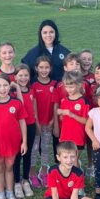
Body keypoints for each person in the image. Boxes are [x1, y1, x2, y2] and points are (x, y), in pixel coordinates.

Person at [33, 141, 98, 199]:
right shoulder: (53, 171)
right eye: (65, 157)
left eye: (72, 157)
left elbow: (74, 196)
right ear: (58, 157)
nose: (69, 160)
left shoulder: (78, 173)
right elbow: (55, 195)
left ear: (76, 156)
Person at [0, 74, 28, 199]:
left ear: (9, 86)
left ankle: (10, 194)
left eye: (5, 85)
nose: (2, 89)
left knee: (9, 167)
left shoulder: (16, 103)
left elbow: (22, 122)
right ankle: (1, 196)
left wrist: (24, 141)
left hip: (12, 142)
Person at [30, 56, 57, 188]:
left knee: (45, 148)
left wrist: (52, 120)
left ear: (50, 68)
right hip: (36, 124)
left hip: (48, 123)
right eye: (41, 67)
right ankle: (32, 173)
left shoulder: (54, 84)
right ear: (36, 68)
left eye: (46, 67)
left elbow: (56, 104)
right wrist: (36, 123)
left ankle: (44, 172)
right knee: (34, 149)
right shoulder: (33, 85)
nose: (44, 70)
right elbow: (32, 106)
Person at [12, 64, 36, 199]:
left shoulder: (31, 90)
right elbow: (20, 105)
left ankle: (25, 180)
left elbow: (33, 107)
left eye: (26, 75)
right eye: (20, 75)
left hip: (30, 125)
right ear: (15, 77)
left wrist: (36, 122)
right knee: (17, 155)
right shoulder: (12, 93)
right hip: (17, 128)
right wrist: (16, 88)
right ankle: (16, 182)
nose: (23, 78)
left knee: (27, 153)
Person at [57, 71, 89, 163]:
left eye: (71, 87)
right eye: (66, 86)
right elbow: (62, 120)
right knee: (65, 162)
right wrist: (60, 114)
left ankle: (78, 172)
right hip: (65, 137)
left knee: (73, 162)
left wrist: (72, 115)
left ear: (79, 85)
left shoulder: (84, 101)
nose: (68, 89)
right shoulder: (64, 101)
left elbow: (86, 121)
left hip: (78, 137)